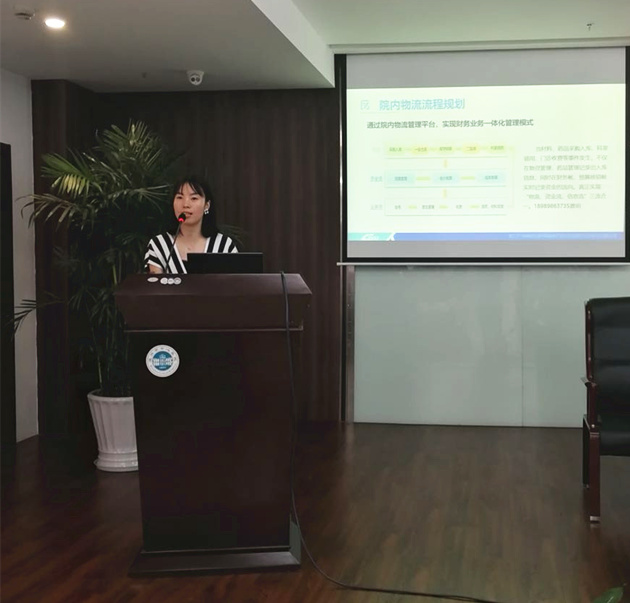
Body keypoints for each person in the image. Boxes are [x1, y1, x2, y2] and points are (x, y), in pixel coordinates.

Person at [145, 176, 238, 274]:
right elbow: (154, 283)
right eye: (179, 197)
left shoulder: (224, 245)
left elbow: (233, 282)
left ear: (206, 205)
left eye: (194, 198)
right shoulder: (159, 245)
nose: (185, 204)